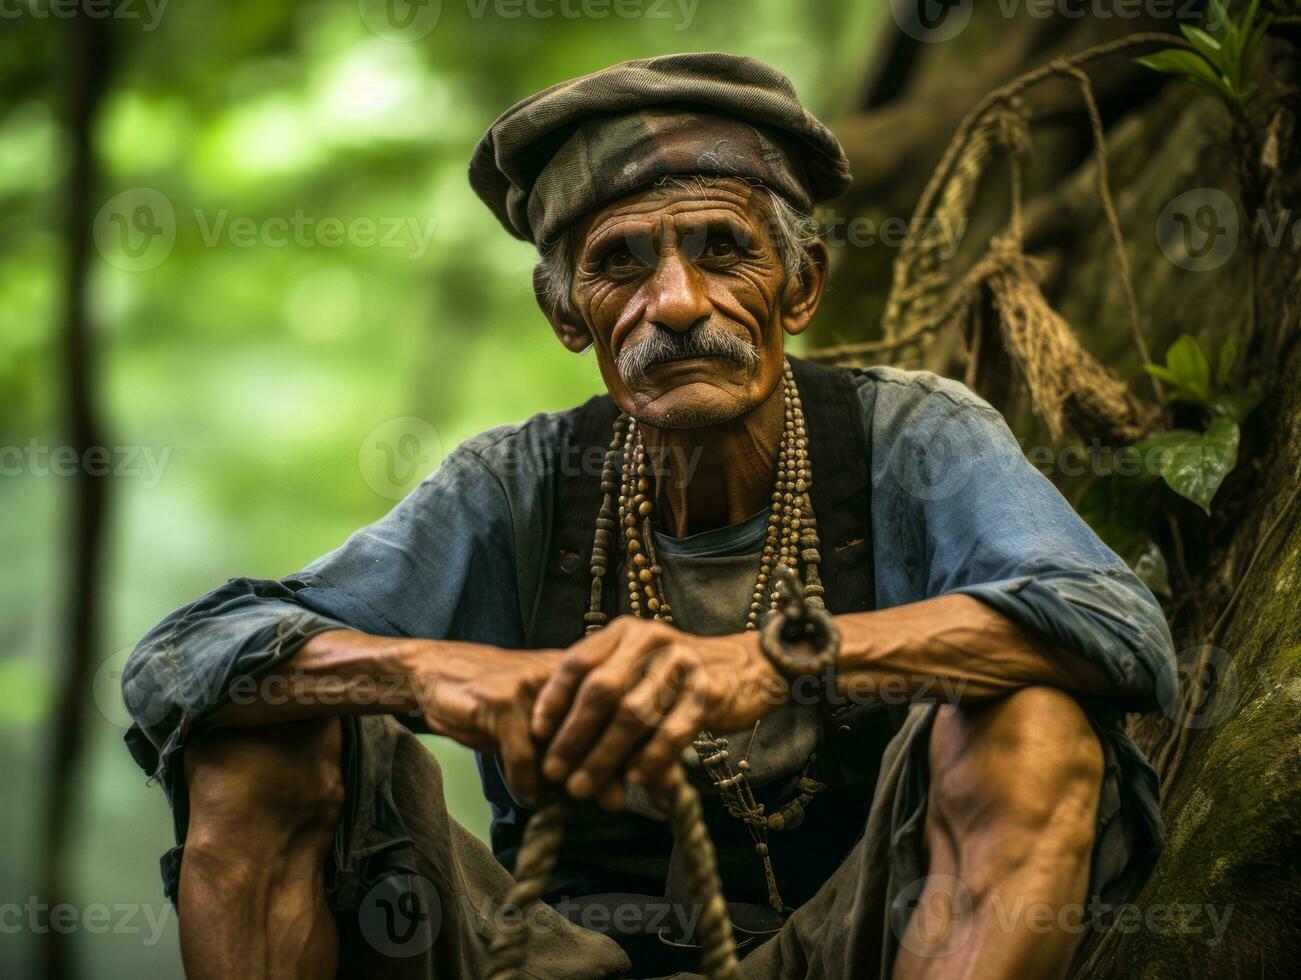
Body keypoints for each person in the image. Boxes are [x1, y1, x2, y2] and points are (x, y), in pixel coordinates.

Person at [123, 52, 1175, 980]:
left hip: (843, 939)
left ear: (799, 285)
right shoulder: (515, 481)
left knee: (1029, 716)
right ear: (566, 313)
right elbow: (184, 659)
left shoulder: (910, 438)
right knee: (259, 733)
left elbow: (1113, 626)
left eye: (721, 248)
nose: (672, 300)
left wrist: (775, 662)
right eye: (618, 261)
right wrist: (436, 672)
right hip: (539, 952)